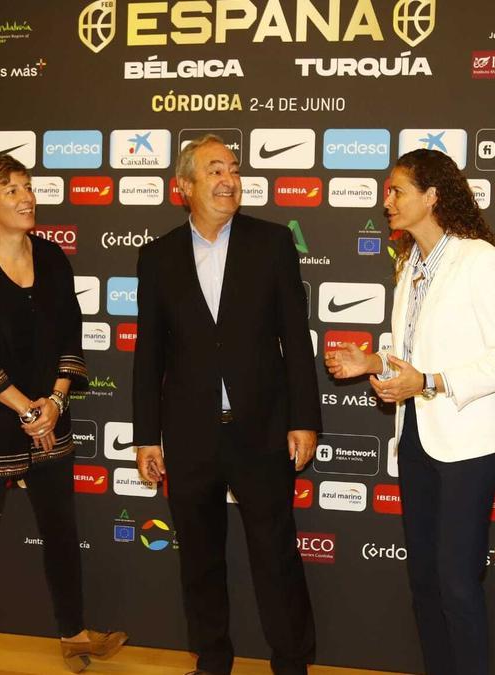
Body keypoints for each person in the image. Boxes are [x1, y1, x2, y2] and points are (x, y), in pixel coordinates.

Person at [325, 149, 495, 675]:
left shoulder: (480, 259)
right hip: (415, 432)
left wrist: (430, 382)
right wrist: (372, 361)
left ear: (432, 196)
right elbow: (414, 353)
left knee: (457, 582)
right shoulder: (408, 263)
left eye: (396, 191)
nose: (385, 200)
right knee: (424, 580)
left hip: (467, 440)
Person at [133, 135, 321, 675]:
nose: (228, 180)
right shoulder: (158, 257)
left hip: (262, 430)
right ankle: (212, 659)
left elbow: (294, 335)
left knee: (276, 556)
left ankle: (291, 662)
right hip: (189, 435)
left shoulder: (272, 243)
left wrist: (304, 418)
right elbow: (149, 354)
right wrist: (147, 435)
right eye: (214, 170)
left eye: (234, 170)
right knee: (198, 558)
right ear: (184, 187)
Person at [0, 154, 126, 674]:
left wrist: (56, 401)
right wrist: (27, 409)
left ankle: (74, 636)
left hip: (49, 416)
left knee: (62, 531)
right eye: (11, 191)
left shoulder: (52, 257)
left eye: (27, 186)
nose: (27, 198)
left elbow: (71, 333)